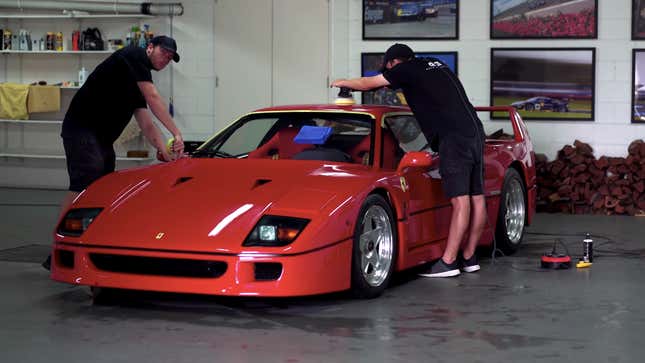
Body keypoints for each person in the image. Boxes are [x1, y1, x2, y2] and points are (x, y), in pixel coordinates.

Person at [331, 43, 486, 278]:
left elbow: (366, 83)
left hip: (453, 138)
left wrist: (342, 83)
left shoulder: (405, 69)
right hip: (474, 132)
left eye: (389, 68)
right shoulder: (436, 64)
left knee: (460, 202)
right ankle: (469, 258)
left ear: (394, 63)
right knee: (477, 199)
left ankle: (449, 262)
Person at [42, 35, 184, 271]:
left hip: (100, 139)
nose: (166, 59)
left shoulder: (135, 83)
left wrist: (164, 150)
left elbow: (147, 124)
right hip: (81, 129)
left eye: (170, 58)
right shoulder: (133, 54)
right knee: (84, 184)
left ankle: (90, 244)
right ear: (149, 48)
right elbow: (153, 97)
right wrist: (177, 134)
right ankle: (59, 248)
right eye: (164, 53)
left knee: (103, 186)